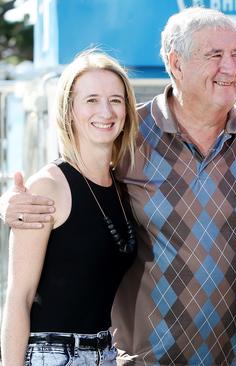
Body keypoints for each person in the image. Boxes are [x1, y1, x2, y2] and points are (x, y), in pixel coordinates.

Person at [0, 7, 236, 364]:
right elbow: (74, 177)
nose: (230, 67)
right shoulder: (128, 135)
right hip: (140, 360)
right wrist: (12, 202)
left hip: (232, 358)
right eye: (214, 55)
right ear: (176, 62)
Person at [1, 50, 139, 365]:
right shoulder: (48, 187)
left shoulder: (121, 184)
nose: (106, 111)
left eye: (116, 100)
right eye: (91, 100)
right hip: (51, 355)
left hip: (104, 351)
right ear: (69, 109)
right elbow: (18, 298)